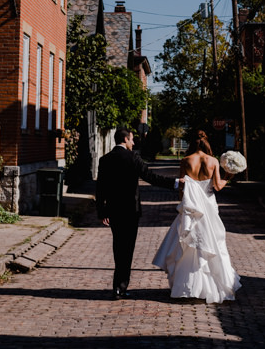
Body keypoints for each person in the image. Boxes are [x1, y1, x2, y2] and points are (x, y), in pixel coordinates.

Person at [152, 130, 241, 304]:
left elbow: (181, 187)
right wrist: (228, 177)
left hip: (191, 207)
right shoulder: (213, 161)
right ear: (207, 143)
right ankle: (212, 286)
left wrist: (183, 207)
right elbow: (217, 186)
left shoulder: (185, 161)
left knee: (189, 246)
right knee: (212, 242)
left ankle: (187, 287)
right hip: (208, 207)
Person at [96, 126, 177, 300]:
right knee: (127, 249)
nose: (133, 142)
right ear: (125, 139)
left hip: (113, 210)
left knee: (118, 247)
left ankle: (118, 287)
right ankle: (120, 286)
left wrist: (101, 212)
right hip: (130, 211)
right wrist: (176, 183)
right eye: (132, 139)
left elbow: (100, 188)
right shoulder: (133, 158)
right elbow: (151, 177)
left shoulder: (105, 159)